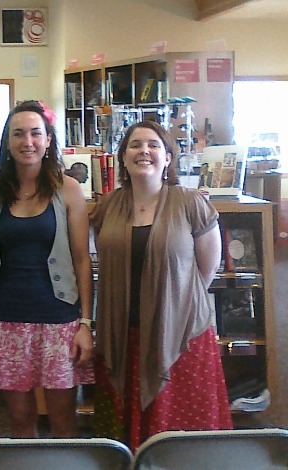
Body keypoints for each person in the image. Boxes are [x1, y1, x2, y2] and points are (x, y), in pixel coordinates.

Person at [90, 120, 232, 451]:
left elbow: (206, 270)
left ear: (168, 157)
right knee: (126, 432)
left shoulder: (190, 203)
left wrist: (174, 302)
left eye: (153, 145)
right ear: (123, 157)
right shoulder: (107, 206)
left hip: (179, 334)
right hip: (123, 335)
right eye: (135, 145)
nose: (144, 151)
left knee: (180, 429)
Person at [0, 100, 94, 438]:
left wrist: (86, 323)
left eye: (36, 133)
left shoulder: (68, 189)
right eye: (19, 134)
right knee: (21, 421)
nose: (28, 142)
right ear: (8, 143)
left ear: (48, 140)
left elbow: (82, 259)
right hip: (7, 320)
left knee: (62, 421)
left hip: (60, 321)